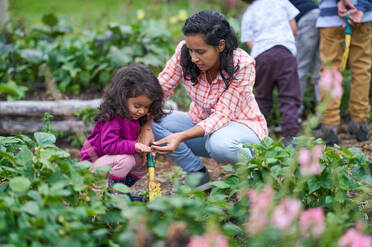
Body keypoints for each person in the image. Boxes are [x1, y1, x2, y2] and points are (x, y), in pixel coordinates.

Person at [138, 10, 268, 190]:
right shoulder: (184, 54)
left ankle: (261, 172)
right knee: (155, 120)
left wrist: (181, 136)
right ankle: (197, 174)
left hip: (241, 130)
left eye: (200, 51)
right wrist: (146, 126)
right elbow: (160, 89)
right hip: (204, 128)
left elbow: (222, 116)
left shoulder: (242, 64)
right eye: (190, 50)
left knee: (220, 144)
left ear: (221, 45)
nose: (193, 58)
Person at [80, 63, 166, 201]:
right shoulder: (112, 117)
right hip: (92, 166)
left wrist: (142, 150)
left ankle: (120, 191)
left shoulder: (137, 116)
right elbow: (109, 146)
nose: (142, 111)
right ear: (122, 97)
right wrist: (134, 146)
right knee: (125, 160)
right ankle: (115, 196)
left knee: (144, 160)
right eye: (137, 106)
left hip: (111, 162)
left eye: (146, 107)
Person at [240, 0, 301, 146]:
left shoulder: (249, 13)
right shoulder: (282, 2)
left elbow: (248, 40)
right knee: (289, 96)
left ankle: (259, 136)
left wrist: (263, 50)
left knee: (262, 97)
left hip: (262, 55)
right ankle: (290, 137)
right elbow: (294, 29)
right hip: (285, 53)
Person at [314, 0, 371, 146]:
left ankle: (329, 128)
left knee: (330, 71)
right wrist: (362, 7)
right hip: (362, 15)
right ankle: (360, 124)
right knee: (361, 69)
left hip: (331, 18)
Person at [289, 0, 321, 121]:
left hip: (305, 19)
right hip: (319, 15)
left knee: (299, 69)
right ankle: (324, 115)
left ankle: (295, 114)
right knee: (320, 71)